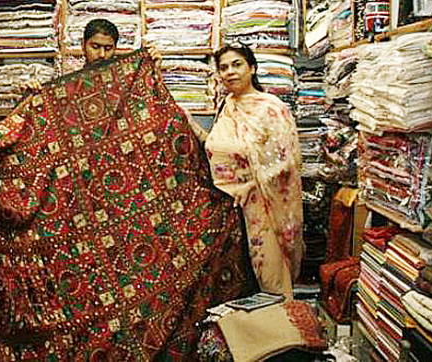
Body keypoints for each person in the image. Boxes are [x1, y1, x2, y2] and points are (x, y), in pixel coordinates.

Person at [185, 43, 305, 297]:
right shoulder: (226, 106)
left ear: (252, 68)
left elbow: (287, 161)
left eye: (237, 65)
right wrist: (190, 124)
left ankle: (280, 330)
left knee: (268, 275)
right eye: (223, 67)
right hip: (227, 209)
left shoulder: (270, 108)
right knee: (235, 283)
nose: (230, 72)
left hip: (262, 207)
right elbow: (217, 147)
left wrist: (252, 185)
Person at [25, 18, 160, 91]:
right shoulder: (67, 86)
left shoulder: (126, 85)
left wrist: (154, 70)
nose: (102, 54)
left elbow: (152, 103)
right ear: (83, 45)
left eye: (108, 48)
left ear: (115, 48)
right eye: (95, 47)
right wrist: (33, 91)